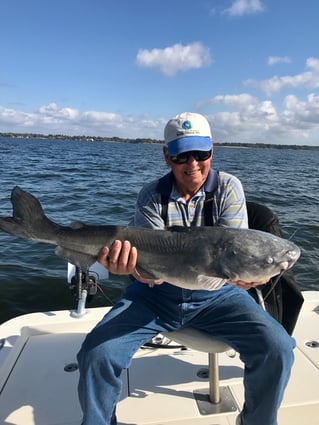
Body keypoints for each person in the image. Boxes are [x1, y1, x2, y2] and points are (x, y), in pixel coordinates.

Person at [77, 112, 295, 425]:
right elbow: (146, 268)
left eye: (200, 154)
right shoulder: (151, 196)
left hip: (218, 296)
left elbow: (236, 254)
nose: (192, 163)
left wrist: (246, 277)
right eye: (181, 155)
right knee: (97, 354)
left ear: (212, 149)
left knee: (278, 348)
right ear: (167, 156)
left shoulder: (228, 188)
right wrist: (130, 268)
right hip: (154, 295)